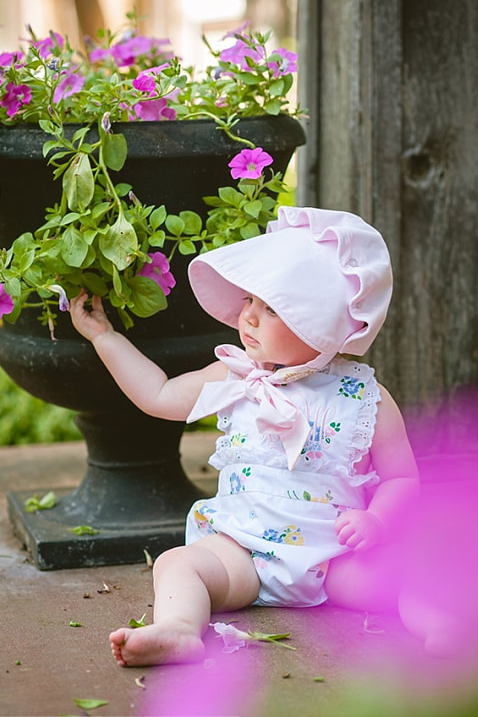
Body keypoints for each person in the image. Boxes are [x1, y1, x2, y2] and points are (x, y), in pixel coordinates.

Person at [69, 206, 422, 667]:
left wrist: (376, 522)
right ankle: (178, 629)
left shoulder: (363, 396)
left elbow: (402, 479)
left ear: (324, 323)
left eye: (272, 308)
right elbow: (159, 394)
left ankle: (443, 622)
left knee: (406, 577)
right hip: (243, 554)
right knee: (177, 563)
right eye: (250, 301)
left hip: (333, 560)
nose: (249, 317)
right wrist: (104, 338)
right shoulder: (236, 373)